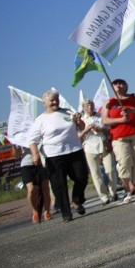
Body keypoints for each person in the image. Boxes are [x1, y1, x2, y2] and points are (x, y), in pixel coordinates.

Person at [28, 89, 88, 222]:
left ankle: (77, 200)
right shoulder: (41, 119)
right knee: (59, 185)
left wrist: (79, 120)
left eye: (56, 99)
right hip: (54, 155)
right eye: (52, 100)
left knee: (82, 176)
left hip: (74, 150)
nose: (55, 102)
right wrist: (35, 154)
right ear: (45, 103)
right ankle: (66, 213)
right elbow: (32, 141)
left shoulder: (67, 112)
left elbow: (82, 127)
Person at [101, 79, 135, 203]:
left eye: (121, 83)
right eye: (115, 83)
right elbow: (105, 120)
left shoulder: (134, 97)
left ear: (126, 86)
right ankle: (128, 190)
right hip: (119, 136)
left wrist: (132, 110)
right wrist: (121, 120)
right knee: (124, 163)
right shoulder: (109, 102)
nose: (118, 85)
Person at [79, 99, 118, 204]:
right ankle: (103, 196)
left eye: (91, 105)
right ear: (83, 108)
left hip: (104, 144)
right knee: (96, 173)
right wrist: (85, 130)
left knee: (110, 169)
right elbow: (79, 137)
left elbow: (109, 131)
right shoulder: (81, 120)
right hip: (90, 147)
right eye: (87, 106)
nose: (89, 107)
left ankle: (113, 191)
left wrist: (100, 129)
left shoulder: (101, 116)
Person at [15, 145, 52, 223]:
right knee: (31, 189)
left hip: (41, 161)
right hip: (26, 165)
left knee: (45, 187)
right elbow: (16, 156)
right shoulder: (18, 135)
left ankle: (47, 212)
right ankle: (35, 211)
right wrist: (13, 145)